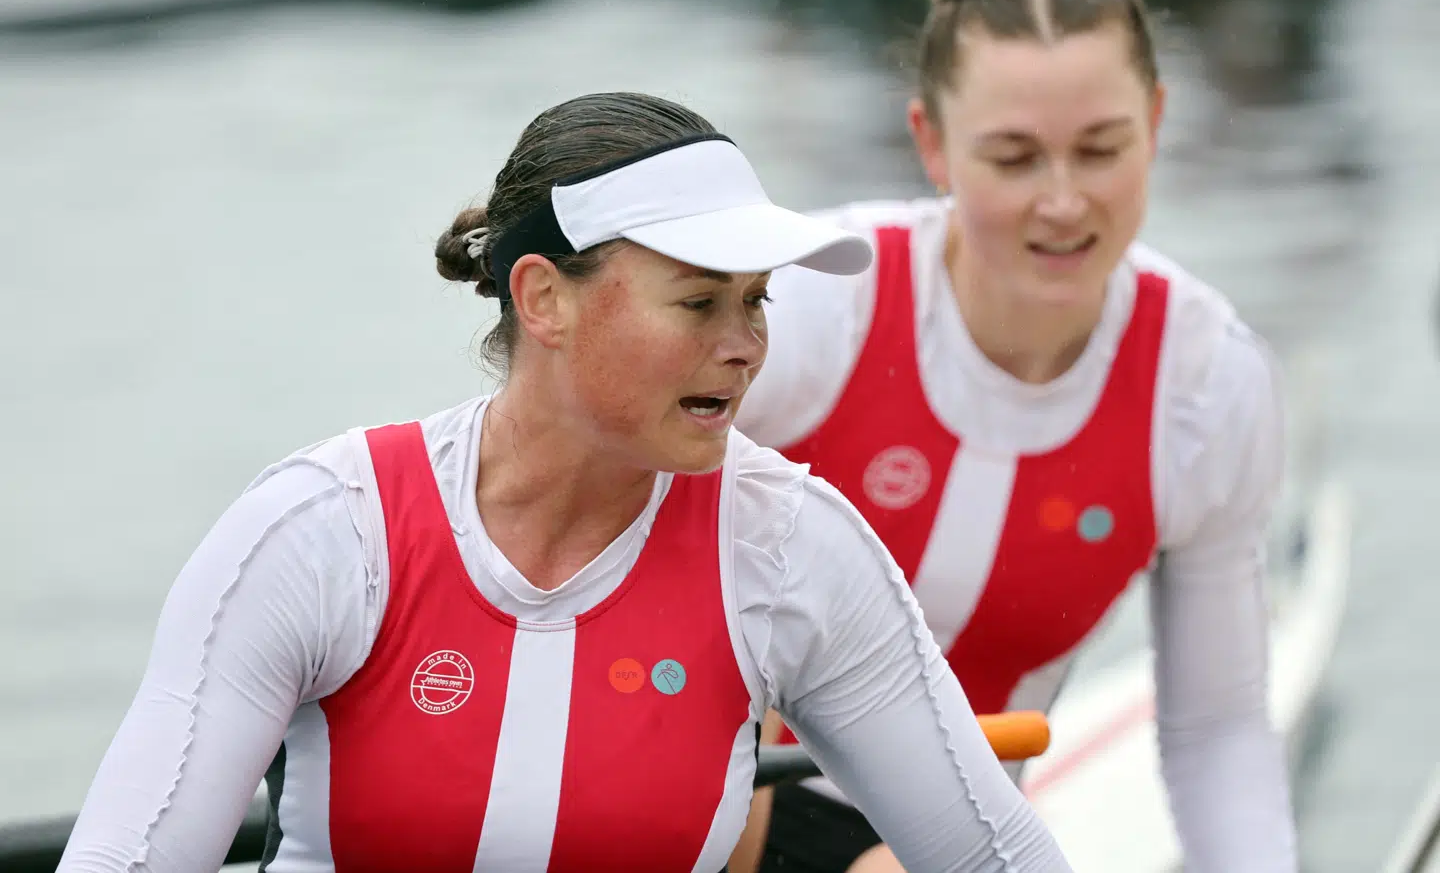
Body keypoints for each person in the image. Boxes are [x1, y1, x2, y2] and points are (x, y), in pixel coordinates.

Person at [56, 91, 1075, 873]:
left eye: (755, 302)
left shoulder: (790, 548)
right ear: (543, 298)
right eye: (696, 303)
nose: (744, 346)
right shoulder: (325, 535)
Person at [732, 0, 1299, 873]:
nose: (1065, 202)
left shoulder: (1207, 386)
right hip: (706, 794)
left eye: (1100, 148)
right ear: (932, 145)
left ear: (1155, 124)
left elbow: (1218, 733)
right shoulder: (809, 309)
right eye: (1015, 157)